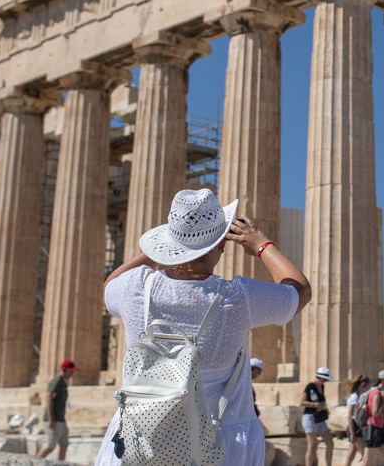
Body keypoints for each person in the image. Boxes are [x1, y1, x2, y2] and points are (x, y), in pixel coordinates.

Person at [93, 189, 312, 466]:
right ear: (222, 244)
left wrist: (157, 250)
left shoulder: (134, 287)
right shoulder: (236, 298)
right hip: (213, 444)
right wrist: (261, 244)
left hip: (137, 441)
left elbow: (110, 284)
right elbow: (299, 291)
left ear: (167, 244)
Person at [37, 359, 76, 461]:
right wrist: (51, 419)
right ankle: (34, 462)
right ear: (65, 370)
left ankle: (61, 463)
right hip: (54, 420)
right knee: (49, 446)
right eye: (71, 371)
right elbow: (49, 399)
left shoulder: (63, 383)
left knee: (64, 444)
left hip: (61, 420)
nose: (72, 373)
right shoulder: (56, 381)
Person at [361, 370, 384, 466]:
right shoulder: (376, 393)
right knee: (367, 461)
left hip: (379, 429)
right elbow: (375, 413)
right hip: (372, 429)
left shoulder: (379, 392)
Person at [303, 367, 335, 466]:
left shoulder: (322, 387)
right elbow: (302, 401)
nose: (325, 381)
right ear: (319, 377)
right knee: (312, 445)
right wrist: (315, 405)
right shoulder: (310, 386)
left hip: (320, 418)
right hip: (309, 417)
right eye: (324, 379)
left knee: (330, 443)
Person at [344, 375, 371, 466]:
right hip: (355, 428)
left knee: (350, 455)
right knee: (365, 456)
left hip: (357, 427)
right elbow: (350, 416)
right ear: (363, 384)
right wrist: (352, 433)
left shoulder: (359, 396)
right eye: (368, 387)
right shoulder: (354, 397)